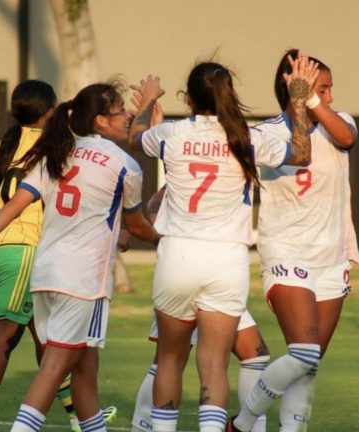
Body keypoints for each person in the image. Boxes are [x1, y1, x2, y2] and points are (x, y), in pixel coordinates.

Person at [0, 80, 161, 432]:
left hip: (45, 275)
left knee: (84, 366)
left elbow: (13, 206)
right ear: (99, 120)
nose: (126, 116)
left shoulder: (57, 153)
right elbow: (139, 226)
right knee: (54, 368)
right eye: (119, 111)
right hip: (83, 282)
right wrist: (170, 236)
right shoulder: (125, 165)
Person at [129, 57, 318, 432]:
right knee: (214, 364)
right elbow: (302, 153)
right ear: (230, 94)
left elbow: (134, 138)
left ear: (189, 98)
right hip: (226, 260)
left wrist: (149, 100)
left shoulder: (171, 134)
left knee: (169, 359)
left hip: (179, 255)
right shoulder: (246, 137)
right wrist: (298, 99)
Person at [230, 49, 359, 432]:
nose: (330, 98)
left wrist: (313, 100)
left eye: (331, 90)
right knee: (302, 352)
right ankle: (242, 423)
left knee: (309, 363)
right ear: (293, 86)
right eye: (322, 88)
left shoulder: (339, 125)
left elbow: (346, 136)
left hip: (332, 258)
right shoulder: (264, 134)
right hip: (286, 253)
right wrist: (300, 100)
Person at [130, 190, 271, 432]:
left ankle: (244, 426)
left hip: (213, 272)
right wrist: (163, 235)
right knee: (171, 359)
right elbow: (157, 200)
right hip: (195, 267)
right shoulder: (224, 159)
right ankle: (142, 425)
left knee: (255, 353)